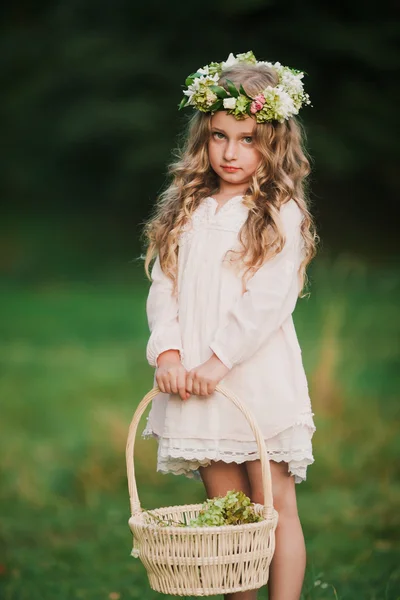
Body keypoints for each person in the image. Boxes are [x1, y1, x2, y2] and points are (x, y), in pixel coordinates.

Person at [140, 51, 319, 600]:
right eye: (220, 136)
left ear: (274, 141)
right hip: (196, 380)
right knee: (228, 512)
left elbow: (269, 300)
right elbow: (163, 285)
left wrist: (219, 361)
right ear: (204, 135)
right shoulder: (185, 205)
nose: (231, 152)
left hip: (251, 377)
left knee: (273, 505)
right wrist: (169, 354)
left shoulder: (279, 210)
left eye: (247, 138)